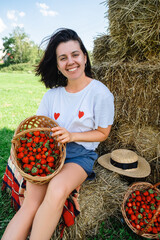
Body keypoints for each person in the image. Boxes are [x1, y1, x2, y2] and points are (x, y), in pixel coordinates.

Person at [2, 28, 114, 240]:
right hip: (50, 153)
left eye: (75, 55)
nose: (70, 62)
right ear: (57, 64)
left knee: (56, 190)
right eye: (63, 58)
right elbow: (39, 130)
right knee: (31, 203)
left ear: (85, 57)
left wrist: (72, 136)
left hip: (79, 155)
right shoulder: (52, 96)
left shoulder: (99, 93)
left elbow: (103, 133)